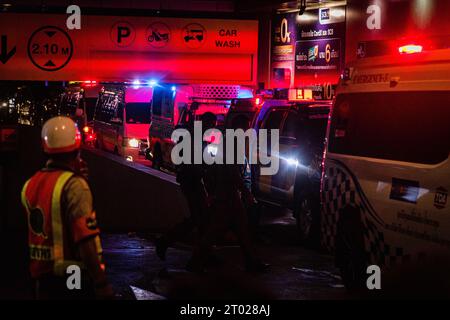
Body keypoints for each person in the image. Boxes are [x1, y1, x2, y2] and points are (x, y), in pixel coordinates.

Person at [21, 116, 113, 299]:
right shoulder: (75, 186)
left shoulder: (30, 184)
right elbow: (85, 241)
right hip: (72, 276)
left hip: (40, 279)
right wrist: (101, 282)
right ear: (77, 147)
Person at [154, 111, 216, 262]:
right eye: (212, 125)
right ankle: (167, 241)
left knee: (201, 218)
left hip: (191, 179)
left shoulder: (195, 135)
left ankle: (203, 253)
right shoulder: (196, 137)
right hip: (192, 180)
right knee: (199, 217)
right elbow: (195, 161)